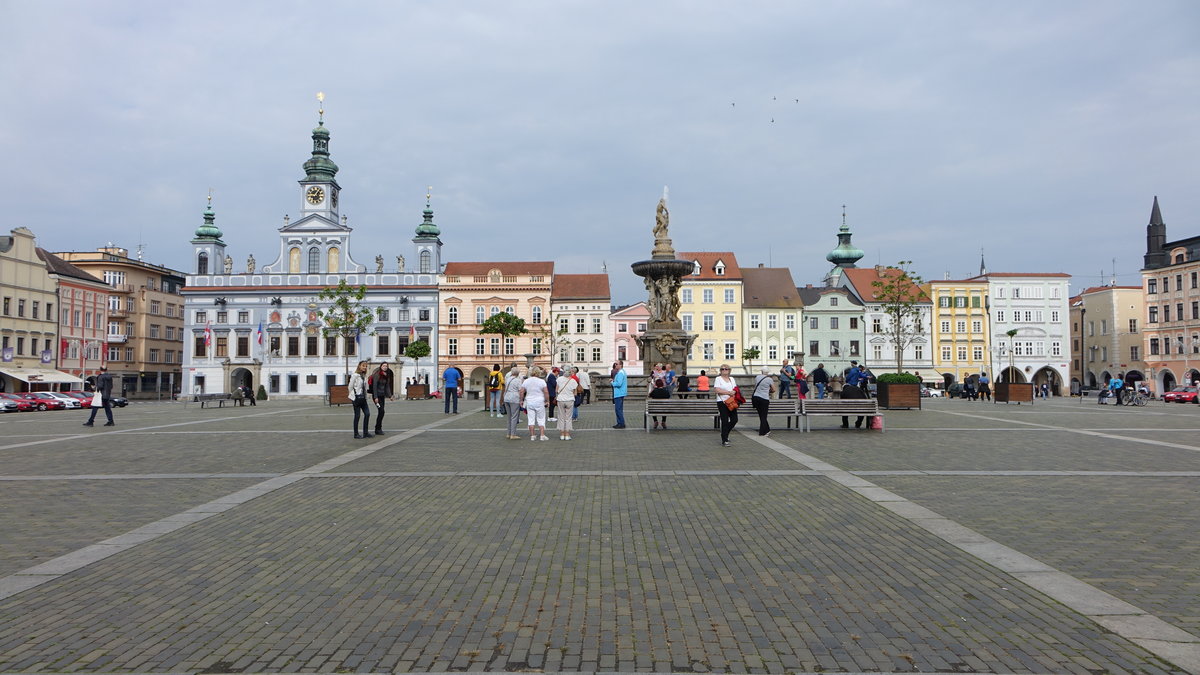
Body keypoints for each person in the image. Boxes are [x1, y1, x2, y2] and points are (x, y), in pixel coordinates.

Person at [520, 366, 550, 441]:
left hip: (530, 401)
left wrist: (521, 400)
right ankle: (542, 435)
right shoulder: (542, 381)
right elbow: (546, 392)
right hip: (540, 401)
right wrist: (547, 400)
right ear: (538, 373)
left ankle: (532, 435)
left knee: (531, 419)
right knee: (541, 418)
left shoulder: (526, 381)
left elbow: (521, 391)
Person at [713, 365, 738, 447]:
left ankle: (725, 433)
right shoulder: (718, 379)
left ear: (729, 370)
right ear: (720, 371)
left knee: (734, 419)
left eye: (726, 369)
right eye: (722, 369)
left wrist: (733, 392)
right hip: (722, 402)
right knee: (725, 420)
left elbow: (735, 389)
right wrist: (728, 392)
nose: (724, 370)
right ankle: (724, 439)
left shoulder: (732, 379)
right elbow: (717, 390)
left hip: (731, 401)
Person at [349, 360, 372, 439]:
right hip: (356, 398)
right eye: (363, 366)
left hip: (363, 398)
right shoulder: (355, 375)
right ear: (359, 366)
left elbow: (365, 387)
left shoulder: (364, 376)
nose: (365, 367)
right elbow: (350, 387)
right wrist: (354, 397)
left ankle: (365, 432)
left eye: (366, 366)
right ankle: (356, 434)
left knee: (367, 414)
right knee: (357, 416)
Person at [371, 362, 394, 435]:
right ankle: (378, 428)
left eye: (386, 366)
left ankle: (378, 428)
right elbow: (374, 386)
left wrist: (390, 396)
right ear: (381, 366)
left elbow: (387, 386)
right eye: (383, 366)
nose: (385, 367)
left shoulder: (386, 375)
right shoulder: (377, 375)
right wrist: (375, 397)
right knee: (381, 411)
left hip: (382, 396)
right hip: (377, 396)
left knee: (381, 412)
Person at [752, 366, 775, 437]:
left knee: (761, 415)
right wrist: (768, 390)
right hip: (764, 398)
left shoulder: (757, 377)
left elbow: (756, 386)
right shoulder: (769, 379)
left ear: (761, 371)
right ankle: (762, 432)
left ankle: (767, 430)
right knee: (764, 415)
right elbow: (774, 390)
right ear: (767, 372)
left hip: (756, 398)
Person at [502, 366, 524, 440]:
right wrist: (521, 400)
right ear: (518, 373)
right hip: (514, 399)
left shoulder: (507, 379)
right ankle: (513, 434)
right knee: (514, 417)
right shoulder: (518, 381)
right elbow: (521, 391)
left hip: (506, 398)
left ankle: (508, 433)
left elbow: (505, 388)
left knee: (509, 417)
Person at [557, 369, 578, 440]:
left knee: (561, 417)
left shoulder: (559, 379)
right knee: (568, 418)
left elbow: (557, 390)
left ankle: (562, 434)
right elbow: (575, 393)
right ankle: (567, 434)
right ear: (570, 373)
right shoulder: (573, 381)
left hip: (560, 399)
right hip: (570, 399)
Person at [611, 361, 627, 428]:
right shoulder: (622, 372)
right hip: (620, 393)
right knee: (619, 409)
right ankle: (620, 423)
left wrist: (612, 382)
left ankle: (621, 423)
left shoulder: (620, 373)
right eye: (615, 364)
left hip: (619, 393)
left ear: (620, 365)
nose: (615, 365)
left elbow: (619, 384)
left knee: (618, 409)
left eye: (616, 364)